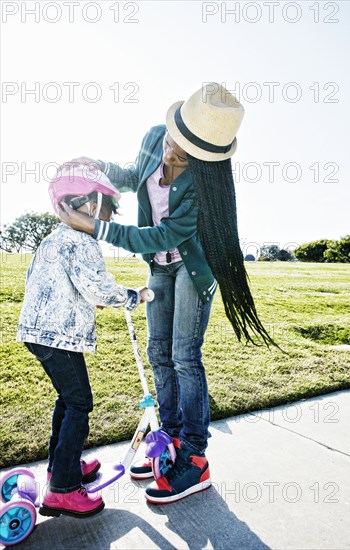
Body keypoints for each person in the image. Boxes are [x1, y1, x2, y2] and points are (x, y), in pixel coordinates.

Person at [59, 83, 280, 504]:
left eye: (183, 158)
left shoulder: (204, 181)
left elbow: (164, 233)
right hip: (159, 266)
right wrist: (100, 164)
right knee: (158, 352)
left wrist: (98, 228)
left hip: (193, 267)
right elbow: (131, 177)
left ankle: (195, 458)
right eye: (172, 147)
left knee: (183, 355)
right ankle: (172, 440)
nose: (169, 159)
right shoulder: (151, 138)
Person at [17, 166, 146, 517]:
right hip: (58, 335)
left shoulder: (53, 238)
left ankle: (63, 467)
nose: (106, 222)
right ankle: (62, 489)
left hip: (40, 333)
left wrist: (95, 296)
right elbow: (96, 287)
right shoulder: (82, 241)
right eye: (106, 212)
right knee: (79, 403)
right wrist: (135, 296)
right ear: (88, 206)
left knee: (68, 398)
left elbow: (67, 283)